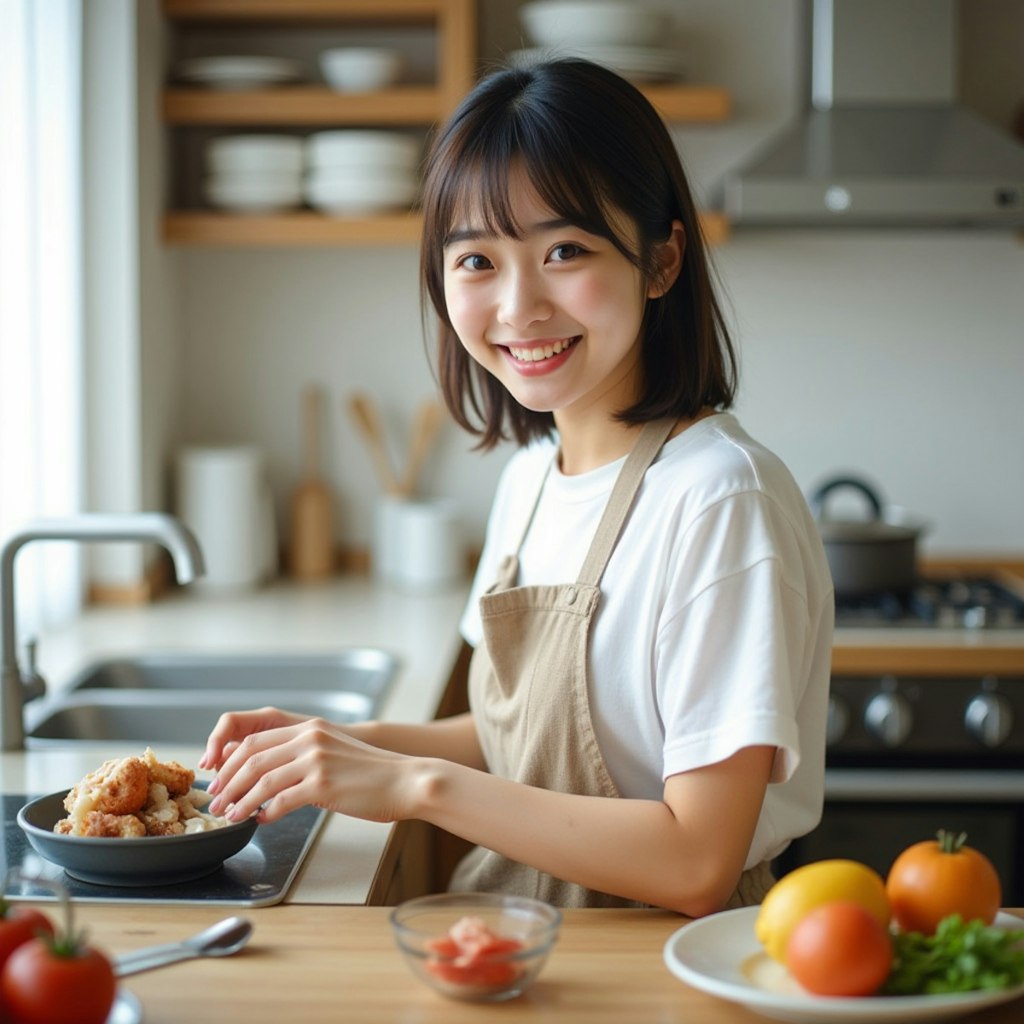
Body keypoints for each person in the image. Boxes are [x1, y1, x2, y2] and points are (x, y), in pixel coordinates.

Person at [201, 58, 834, 915]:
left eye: (565, 250)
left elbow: (696, 863)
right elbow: (520, 741)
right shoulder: (531, 480)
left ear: (662, 259)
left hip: (663, 970)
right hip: (521, 947)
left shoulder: (721, 500)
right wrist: (331, 749)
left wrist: (416, 785)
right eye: (476, 261)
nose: (518, 306)